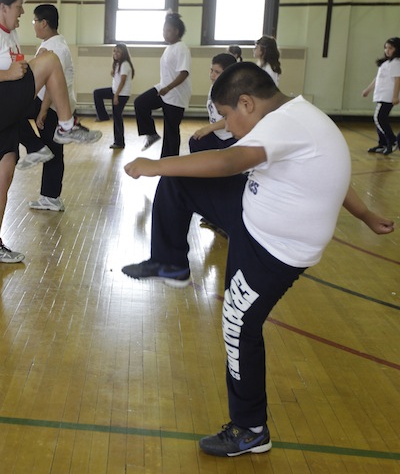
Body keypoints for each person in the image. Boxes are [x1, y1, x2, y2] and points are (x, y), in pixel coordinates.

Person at [121, 62, 394, 457]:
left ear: (246, 102)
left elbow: (230, 163)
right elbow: (331, 174)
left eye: (229, 117)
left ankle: (250, 429)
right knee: (180, 180)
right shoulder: (297, 115)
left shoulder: (285, 125)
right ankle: (171, 262)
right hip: (252, 211)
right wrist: (365, 215)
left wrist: (154, 166)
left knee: (237, 324)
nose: (229, 128)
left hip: (275, 248)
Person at [0, 0, 101, 263]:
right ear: (3, 7)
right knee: (48, 60)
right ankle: (66, 125)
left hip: (1, 108)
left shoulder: (9, 34)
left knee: (3, 175)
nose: (22, 13)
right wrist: (9, 74)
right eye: (19, 7)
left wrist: (15, 74)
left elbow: (17, 72)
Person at [18, 4, 73, 211]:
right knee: (53, 150)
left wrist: (42, 110)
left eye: (34, 22)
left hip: (51, 106)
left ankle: (35, 148)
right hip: (51, 105)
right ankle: (50, 197)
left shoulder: (54, 47)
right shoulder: (53, 43)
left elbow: (52, 83)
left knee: (9, 114)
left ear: (44, 23)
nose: (33, 26)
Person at [134, 12, 192, 157]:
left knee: (171, 131)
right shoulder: (170, 47)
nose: (164, 34)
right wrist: (164, 87)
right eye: (163, 31)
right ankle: (151, 133)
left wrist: (168, 87)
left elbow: (184, 73)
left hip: (175, 95)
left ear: (176, 31)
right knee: (140, 103)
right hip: (163, 89)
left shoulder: (181, 48)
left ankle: (170, 161)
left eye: (168, 30)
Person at [189, 53, 238, 153]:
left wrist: (208, 128)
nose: (212, 74)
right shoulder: (214, 87)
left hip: (231, 137)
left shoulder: (233, 92)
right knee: (195, 142)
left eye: (217, 72)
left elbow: (231, 118)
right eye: (211, 70)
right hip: (217, 135)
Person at [361, 36, 400, 155]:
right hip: (381, 94)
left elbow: (398, 80)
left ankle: (392, 141)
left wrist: (395, 96)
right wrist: (368, 89)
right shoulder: (386, 63)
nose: (387, 50)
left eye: (391, 48)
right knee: (378, 118)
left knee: (379, 118)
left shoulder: (396, 62)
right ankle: (382, 143)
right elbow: (378, 78)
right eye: (386, 48)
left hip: (388, 95)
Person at [93, 43, 134, 149]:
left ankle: (119, 142)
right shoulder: (118, 64)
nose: (115, 53)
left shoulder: (124, 64)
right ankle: (103, 116)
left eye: (118, 51)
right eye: (114, 51)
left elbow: (123, 81)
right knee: (97, 93)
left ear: (123, 53)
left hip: (121, 94)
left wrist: (116, 95)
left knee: (117, 117)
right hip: (116, 91)